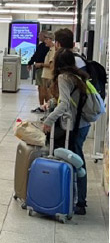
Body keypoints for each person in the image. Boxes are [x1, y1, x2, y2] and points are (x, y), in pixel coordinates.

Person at [42, 49, 93, 215]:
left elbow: (64, 104)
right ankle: (77, 197)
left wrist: (49, 120)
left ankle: (79, 201)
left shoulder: (64, 77)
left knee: (76, 160)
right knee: (77, 159)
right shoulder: (78, 75)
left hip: (75, 125)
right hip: (83, 124)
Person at [29, 31, 52, 112]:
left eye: (40, 35)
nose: (38, 37)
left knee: (43, 89)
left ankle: (45, 107)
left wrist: (41, 64)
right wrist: (30, 62)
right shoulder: (42, 46)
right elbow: (36, 55)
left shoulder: (51, 50)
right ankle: (43, 106)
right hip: (41, 69)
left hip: (44, 70)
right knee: (41, 88)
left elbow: (51, 64)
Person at [39, 32, 56, 102]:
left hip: (49, 76)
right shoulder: (50, 50)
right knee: (44, 92)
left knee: (48, 94)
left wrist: (41, 64)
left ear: (50, 39)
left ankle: (48, 108)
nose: (45, 41)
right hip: (46, 76)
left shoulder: (53, 50)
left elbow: (51, 65)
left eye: (46, 39)